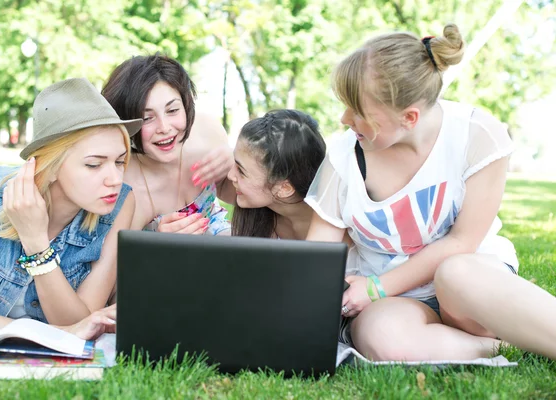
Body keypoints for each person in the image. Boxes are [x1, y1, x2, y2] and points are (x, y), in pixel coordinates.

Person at [305, 24, 556, 361]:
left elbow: (461, 242)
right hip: (395, 301)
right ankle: (508, 346)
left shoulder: (478, 136)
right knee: (382, 338)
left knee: (454, 272)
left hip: (468, 288)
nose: (343, 118)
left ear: (409, 117)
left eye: (358, 112)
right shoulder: (343, 158)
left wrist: (377, 287)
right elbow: (316, 256)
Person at [0, 78, 142, 339]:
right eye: (94, 165)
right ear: (50, 166)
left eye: (120, 161)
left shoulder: (120, 203)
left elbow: (82, 322)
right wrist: (52, 333)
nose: (115, 179)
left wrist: (37, 245)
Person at [102, 53, 234, 235]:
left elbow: (245, 198)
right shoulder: (123, 181)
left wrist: (237, 165)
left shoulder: (208, 132)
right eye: (147, 118)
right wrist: (158, 243)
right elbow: (118, 258)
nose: (164, 128)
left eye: (172, 110)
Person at [228, 109, 326, 240]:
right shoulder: (255, 203)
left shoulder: (336, 226)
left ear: (284, 188)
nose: (230, 175)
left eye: (241, 171)